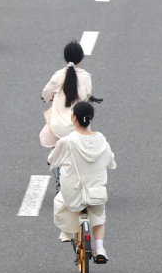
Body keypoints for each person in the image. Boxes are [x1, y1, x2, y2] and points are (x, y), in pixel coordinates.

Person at [48, 101, 115, 263]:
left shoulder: (67, 141)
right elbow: (111, 162)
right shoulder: (102, 141)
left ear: (74, 118)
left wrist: (52, 162)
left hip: (74, 192)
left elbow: (53, 160)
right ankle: (100, 247)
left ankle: (67, 232)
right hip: (96, 192)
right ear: (91, 119)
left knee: (61, 201)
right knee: (98, 216)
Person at [40, 42, 93, 148]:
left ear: (65, 57)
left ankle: (55, 161)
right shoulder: (86, 77)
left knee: (55, 152)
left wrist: (48, 98)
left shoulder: (57, 76)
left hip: (57, 128)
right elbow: (86, 98)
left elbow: (45, 93)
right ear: (81, 57)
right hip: (76, 128)